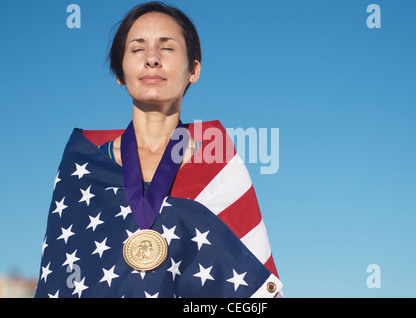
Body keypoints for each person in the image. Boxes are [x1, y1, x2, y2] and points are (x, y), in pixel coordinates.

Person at [35, 1, 282, 298]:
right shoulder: (82, 168)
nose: (152, 59)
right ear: (120, 71)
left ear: (193, 69)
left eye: (167, 48)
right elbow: (60, 282)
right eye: (137, 49)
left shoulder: (219, 167)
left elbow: (250, 292)